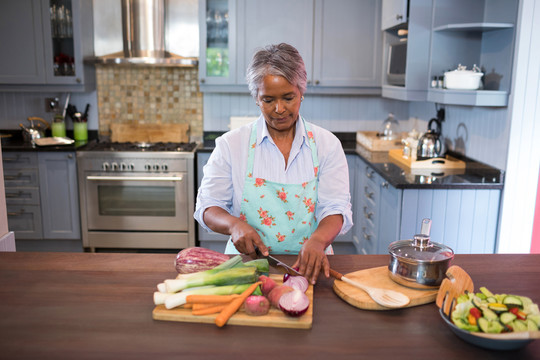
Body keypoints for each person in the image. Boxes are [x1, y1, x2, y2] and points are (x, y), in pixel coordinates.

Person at [194, 43, 352, 284]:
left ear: (301, 91)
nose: (279, 109)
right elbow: (208, 206)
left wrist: (318, 241)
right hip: (245, 268)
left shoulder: (326, 144)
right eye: (268, 100)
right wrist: (234, 225)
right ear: (256, 98)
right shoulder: (231, 144)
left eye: (288, 98)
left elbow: (335, 208)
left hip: (310, 268)